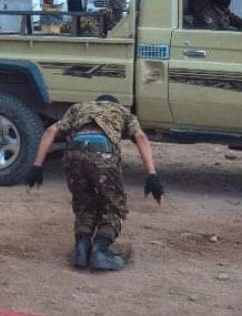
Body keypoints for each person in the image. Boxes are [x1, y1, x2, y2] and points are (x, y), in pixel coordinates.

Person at [25, 95, 162, 271]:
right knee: (113, 207)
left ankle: (81, 250)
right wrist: (152, 175)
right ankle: (100, 250)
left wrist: (37, 167)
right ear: (113, 103)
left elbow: (51, 131)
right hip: (102, 153)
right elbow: (140, 137)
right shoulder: (121, 111)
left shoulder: (78, 107)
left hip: (74, 152)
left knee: (84, 204)